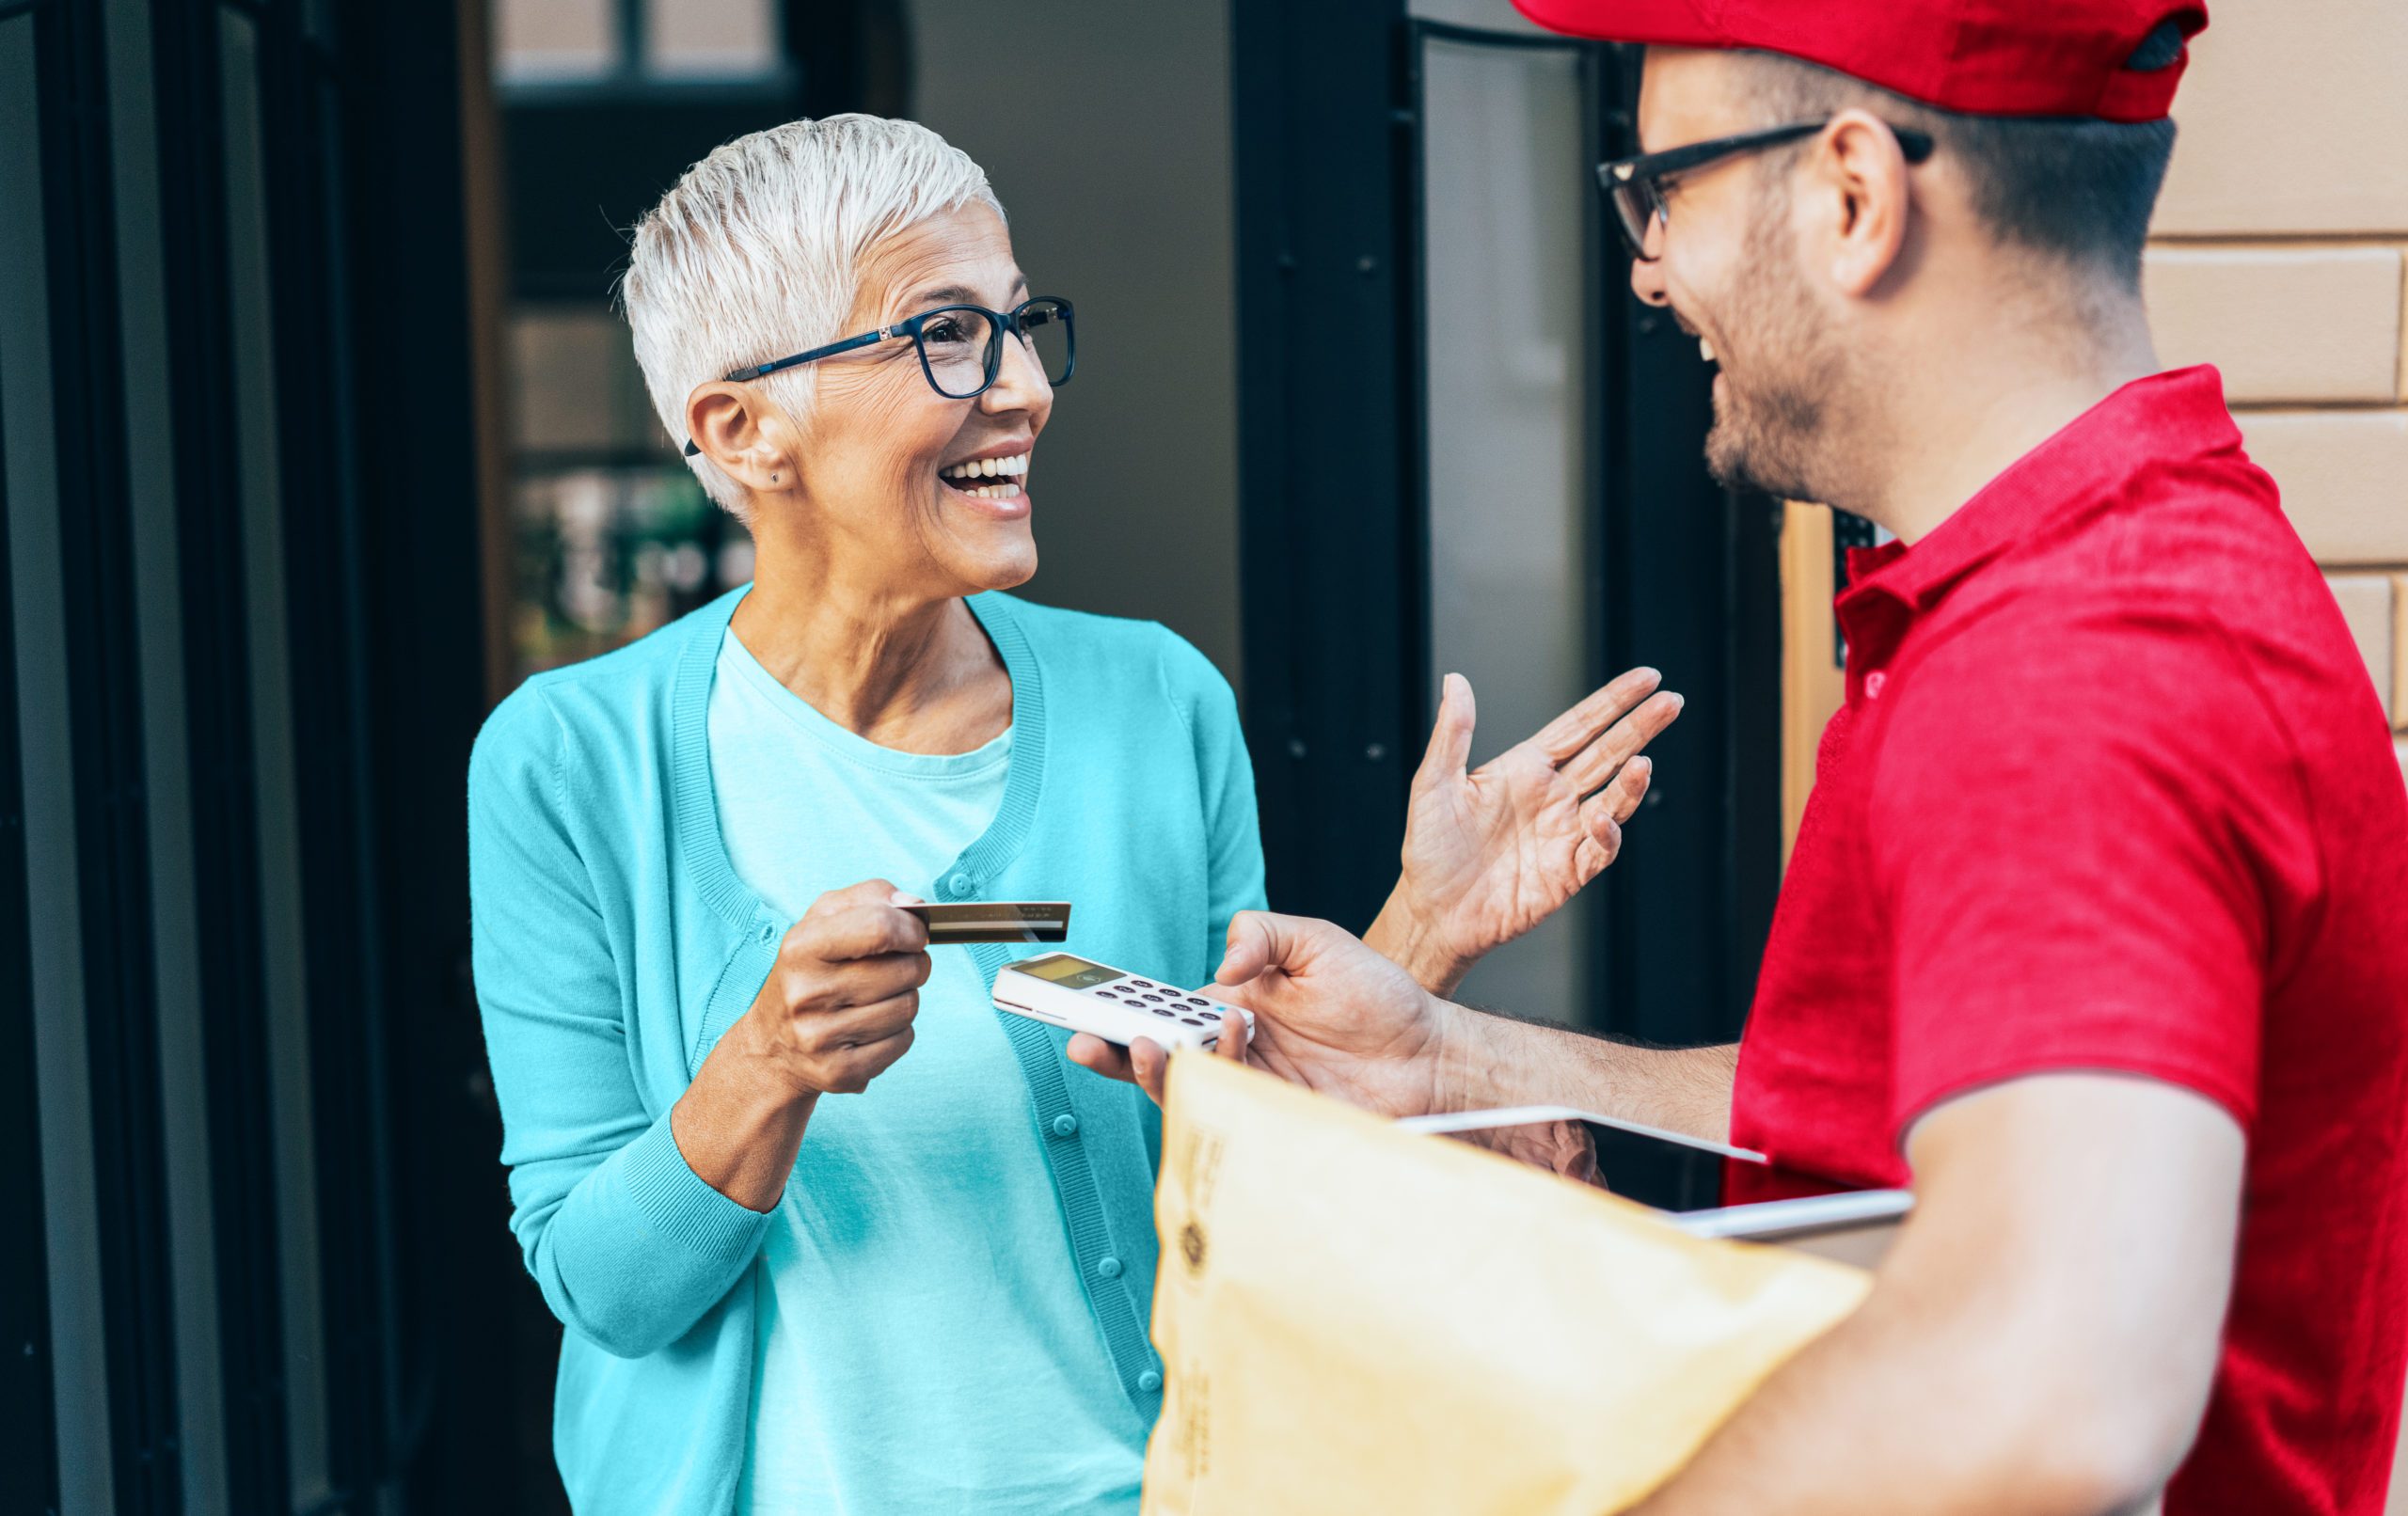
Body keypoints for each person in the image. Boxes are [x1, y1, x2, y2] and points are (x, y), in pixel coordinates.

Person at [1074, 5, 2408, 1512]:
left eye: (1665, 189)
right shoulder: (2114, 577)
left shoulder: (2072, 664)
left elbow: (2050, 1382)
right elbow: (1942, 1133)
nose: (1645, 266)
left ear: (1854, 197)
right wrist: (1456, 1059)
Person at [467, 116, 1677, 1515]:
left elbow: (1251, 1145)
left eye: (1021, 324)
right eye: (944, 336)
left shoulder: (1155, 703)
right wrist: (764, 1068)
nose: (1025, 389)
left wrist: (1425, 931)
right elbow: (604, 1291)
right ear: (746, 431)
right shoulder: (568, 765)